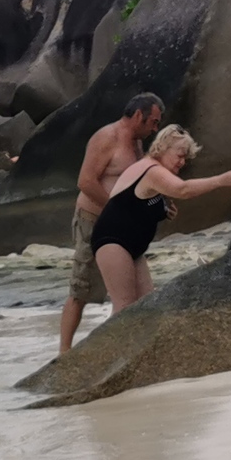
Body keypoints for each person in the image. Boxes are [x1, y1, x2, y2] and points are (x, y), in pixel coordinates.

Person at [89, 125, 231, 315]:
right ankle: (105, 346)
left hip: (132, 247)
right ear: (163, 147)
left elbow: (139, 200)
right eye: (180, 155)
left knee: (147, 305)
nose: (182, 162)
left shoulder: (151, 172)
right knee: (124, 308)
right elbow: (182, 189)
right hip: (112, 241)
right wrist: (221, 180)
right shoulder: (151, 169)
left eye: (185, 157)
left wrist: (163, 209)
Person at [59, 94, 161, 355]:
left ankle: (136, 346)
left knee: (141, 293)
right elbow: (86, 181)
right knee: (81, 289)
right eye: (153, 122)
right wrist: (116, 208)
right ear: (138, 115)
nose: (155, 129)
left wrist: (158, 204)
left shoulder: (138, 145)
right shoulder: (106, 138)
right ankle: (64, 352)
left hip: (124, 227)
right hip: (93, 221)